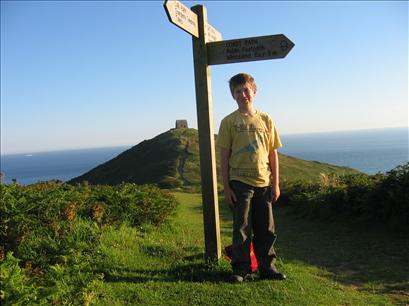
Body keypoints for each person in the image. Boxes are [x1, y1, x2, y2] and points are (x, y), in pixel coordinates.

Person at [216, 73, 286, 283]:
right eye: (238, 91)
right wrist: (226, 187)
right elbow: (224, 156)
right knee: (242, 229)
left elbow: (273, 153)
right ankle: (240, 269)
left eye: (246, 90)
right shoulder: (228, 121)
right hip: (239, 182)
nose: (243, 95)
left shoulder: (266, 119)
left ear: (254, 92)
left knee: (266, 229)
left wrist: (276, 184)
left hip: (264, 183)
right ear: (232, 95)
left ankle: (267, 268)